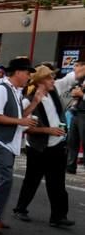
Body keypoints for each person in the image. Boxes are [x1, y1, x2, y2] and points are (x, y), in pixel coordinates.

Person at [13, 63, 85, 226]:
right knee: (32, 180)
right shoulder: (28, 101)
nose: (53, 79)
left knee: (58, 182)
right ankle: (20, 209)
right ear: (40, 81)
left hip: (57, 146)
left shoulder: (54, 90)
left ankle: (58, 216)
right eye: (50, 77)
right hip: (38, 148)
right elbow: (24, 127)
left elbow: (72, 77)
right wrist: (48, 130)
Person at [0, 57, 39, 233]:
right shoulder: (1, 90)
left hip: (8, 140)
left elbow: (19, 114)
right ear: (17, 73)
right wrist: (20, 120)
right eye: (27, 73)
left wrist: (35, 102)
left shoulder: (15, 91)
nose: (29, 76)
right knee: (4, 179)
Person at [66, 60, 85, 174]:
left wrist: (81, 95)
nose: (75, 69)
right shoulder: (80, 81)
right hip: (76, 113)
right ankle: (70, 166)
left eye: (77, 66)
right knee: (72, 141)